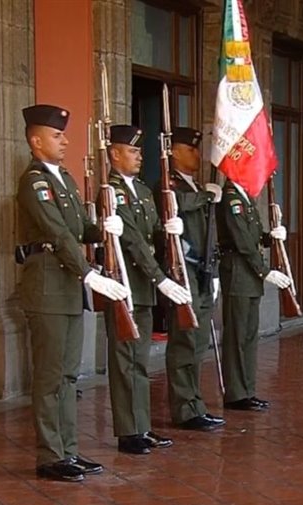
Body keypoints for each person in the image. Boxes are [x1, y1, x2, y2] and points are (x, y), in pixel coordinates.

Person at [16, 104, 129, 482]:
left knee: (68, 376)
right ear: (36, 141)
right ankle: (50, 455)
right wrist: (87, 274)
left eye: (63, 134)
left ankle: (69, 450)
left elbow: (80, 229)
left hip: (67, 287)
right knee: (49, 378)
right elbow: (57, 234)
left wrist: (106, 226)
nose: (64, 140)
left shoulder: (63, 178)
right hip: (48, 287)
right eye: (56, 135)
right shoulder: (33, 182)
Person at [104, 124, 191, 454]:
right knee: (125, 360)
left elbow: (152, 234)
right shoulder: (111, 191)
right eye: (133, 151)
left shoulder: (140, 190)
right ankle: (128, 432)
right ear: (114, 153)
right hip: (124, 283)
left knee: (139, 360)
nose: (140, 157)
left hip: (143, 287)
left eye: (141, 152)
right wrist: (161, 279)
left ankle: (142, 424)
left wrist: (170, 230)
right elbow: (133, 242)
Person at [156, 127, 226, 431]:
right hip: (182, 273)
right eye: (191, 149)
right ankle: (184, 409)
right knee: (184, 343)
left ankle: (195, 402)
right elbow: (176, 206)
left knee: (197, 345)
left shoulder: (194, 186)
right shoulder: (169, 184)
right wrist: (205, 196)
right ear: (175, 152)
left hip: (202, 272)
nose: (197, 155)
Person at [216, 179, 291, 411]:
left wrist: (272, 236)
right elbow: (244, 243)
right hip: (239, 272)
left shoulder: (246, 198)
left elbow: (255, 237)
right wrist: (265, 271)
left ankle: (247, 390)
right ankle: (236, 394)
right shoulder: (232, 198)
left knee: (249, 335)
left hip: (250, 276)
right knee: (237, 336)